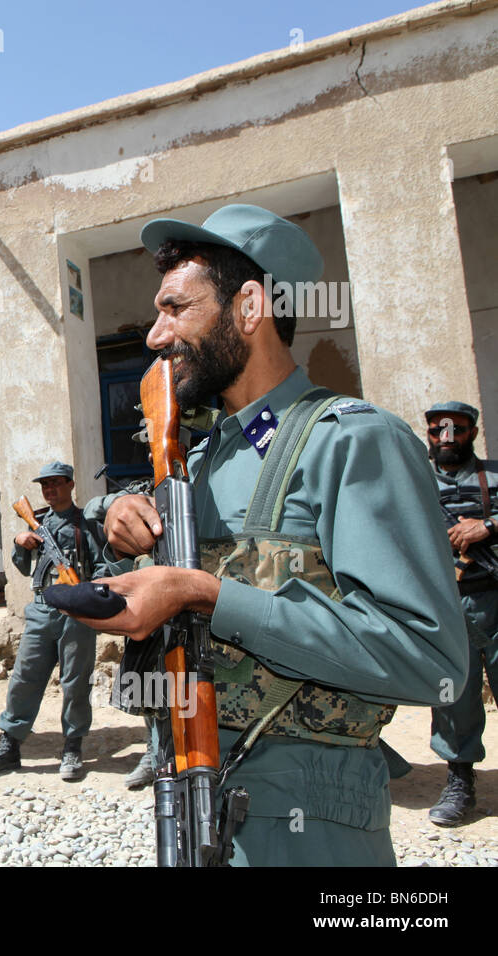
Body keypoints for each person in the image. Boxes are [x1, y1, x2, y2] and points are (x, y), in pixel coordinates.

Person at [76, 204, 466, 866]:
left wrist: (205, 593)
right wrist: (120, 516)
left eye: (176, 308)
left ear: (249, 307)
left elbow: (430, 659)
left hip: (311, 818)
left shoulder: (352, 441)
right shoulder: (200, 458)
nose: (154, 335)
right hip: (197, 794)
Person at [0, 461, 104, 780]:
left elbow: (103, 566)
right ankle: (10, 745)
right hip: (42, 607)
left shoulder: (85, 524)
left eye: (57, 484)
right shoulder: (37, 523)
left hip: (77, 611)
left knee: (75, 681)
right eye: (45, 486)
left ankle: (72, 747)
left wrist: (90, 593)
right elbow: (22, 567)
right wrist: (20, 544)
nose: (50, 490)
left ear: (71, 485)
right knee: (24, 676)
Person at [423, 400, 498, 827]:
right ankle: (460, 781)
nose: (447, 439)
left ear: (472, 431)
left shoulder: (494, 475)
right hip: (448, 604)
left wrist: (485, 527)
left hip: (495, 598)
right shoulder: (416, 483)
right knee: (454, 697)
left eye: (457, 429)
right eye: (437, 431)